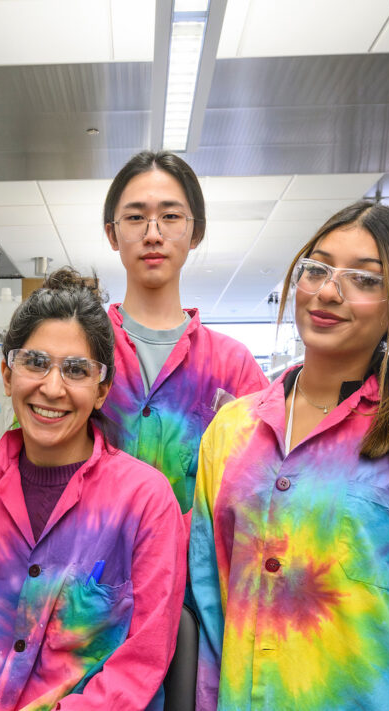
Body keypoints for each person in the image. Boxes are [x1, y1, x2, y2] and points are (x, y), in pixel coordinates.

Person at [188, 203, 389, 710]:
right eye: (316, 269)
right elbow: (209, 600)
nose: (328, 292)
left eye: (364, 279)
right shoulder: (232, 432)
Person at [0, 268, 185, 711]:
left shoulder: (144, 501)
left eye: (76, 370)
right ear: (7, 373)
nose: (51, 388)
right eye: (35, 363)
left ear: (102, 389)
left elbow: (141, 661)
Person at [100, 151, 269, 515]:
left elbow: (264, 484)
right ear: (112, 234)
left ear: (196, 232)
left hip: (196, 570)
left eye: (171, 216)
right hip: (94, 568)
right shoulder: (85, 350)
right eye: (135, 217)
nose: (153, 234)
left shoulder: (233, 366)